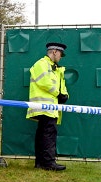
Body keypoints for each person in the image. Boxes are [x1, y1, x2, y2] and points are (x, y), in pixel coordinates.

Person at [26, 42, 69, 171]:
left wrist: (65, 95)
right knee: (49, 134)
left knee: (43, 134)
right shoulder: (42, 64)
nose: (61, 57)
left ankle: (40, 163)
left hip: (49, 107)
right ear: (54, 52)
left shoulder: (55, 68)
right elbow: (45, 83)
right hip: (44, 106)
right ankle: (49, 163)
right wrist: (59, 94)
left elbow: (61, 86)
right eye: (60, 54)